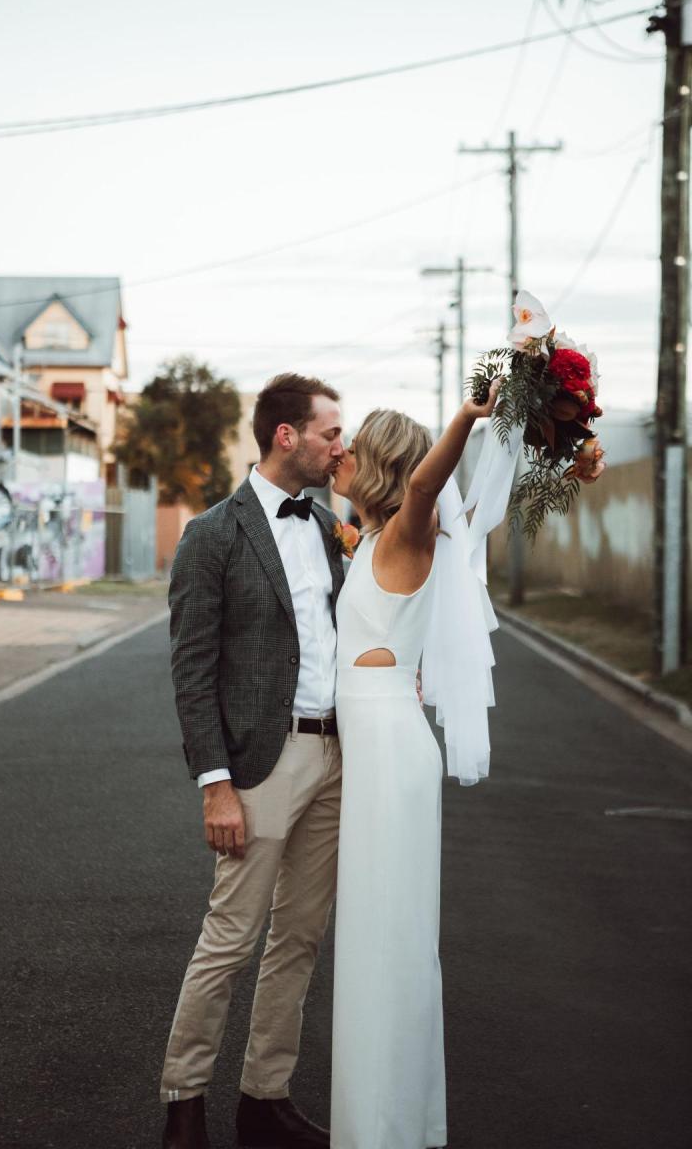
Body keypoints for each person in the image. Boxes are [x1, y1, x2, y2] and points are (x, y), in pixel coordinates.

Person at [160, 373, 346, 1149]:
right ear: (285, 435)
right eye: (331, 432)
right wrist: (217, 786)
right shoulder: (213, 534)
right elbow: (192, 667)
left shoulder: (334, 524)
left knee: (300, 937)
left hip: (336, 757)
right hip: (261, 767)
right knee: (230, 938)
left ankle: (264, 1098)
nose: (342, 445)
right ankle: (185, 1100)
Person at [329, 382, 500, 1149]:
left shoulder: (408, 531)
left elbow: (427, 483)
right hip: (373, 746)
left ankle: (388, 1127)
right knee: (369, 938)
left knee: (390, 938)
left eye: (352, 447)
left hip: (392, 747)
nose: (340, 454)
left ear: (379, 465)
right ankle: (379, 1120)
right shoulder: (368, 541)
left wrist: (467, 415)